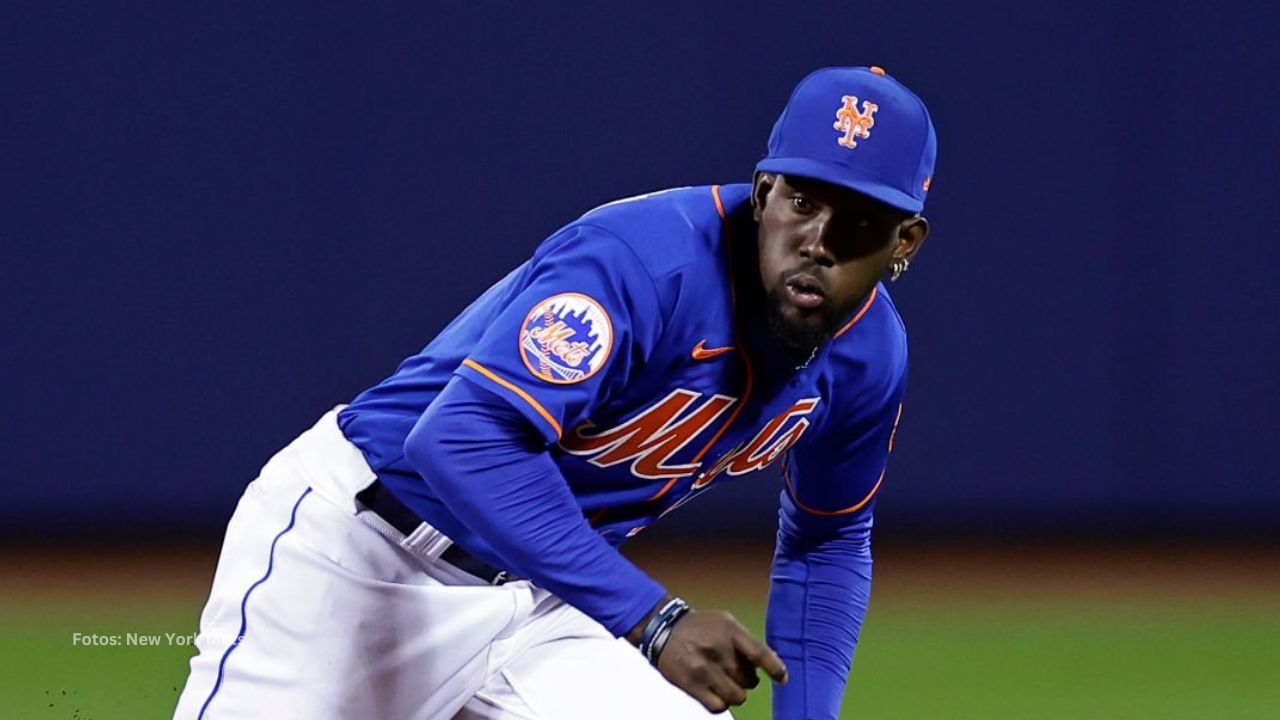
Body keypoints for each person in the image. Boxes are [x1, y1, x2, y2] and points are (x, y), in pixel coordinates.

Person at [174, 65, 936, 720]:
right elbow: (460, 439)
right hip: (359, 553)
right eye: (802, 200)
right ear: (764, 191)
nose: (819, 239)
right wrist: (656, 621)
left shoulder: (867, 355)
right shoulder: (645, 264)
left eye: (861, 219)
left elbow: (826, 538)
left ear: (905, 241)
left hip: (543, 600)